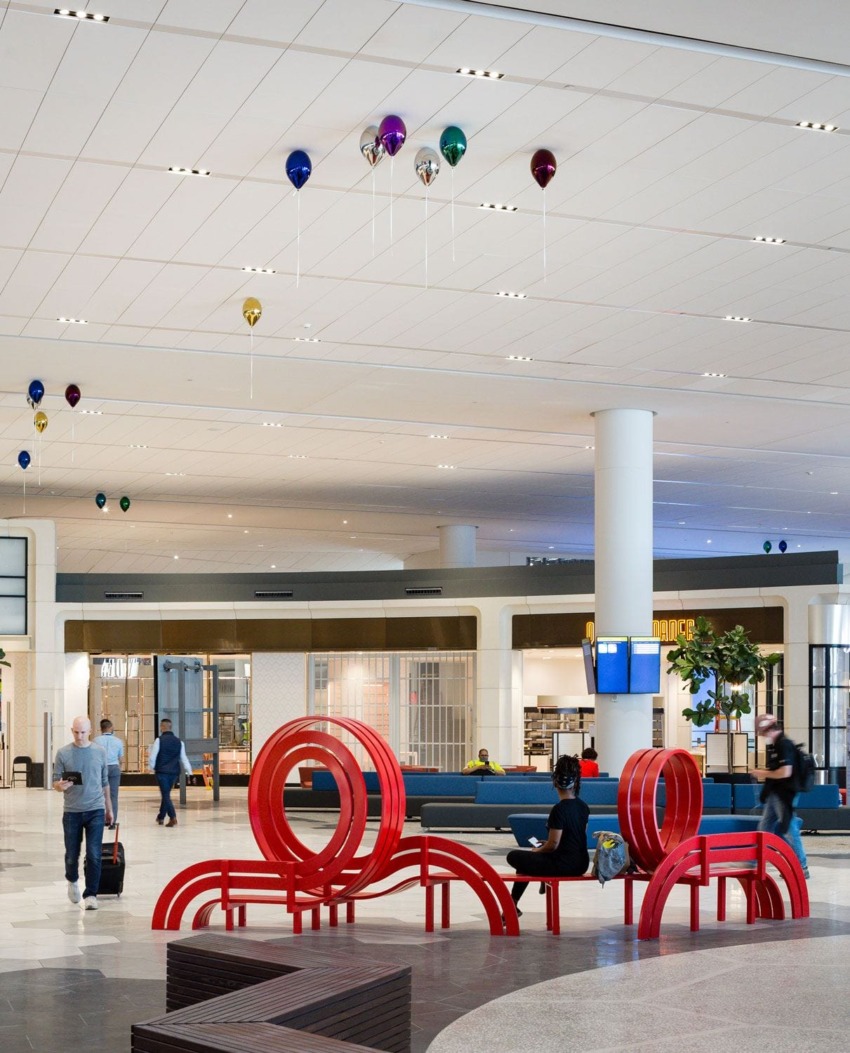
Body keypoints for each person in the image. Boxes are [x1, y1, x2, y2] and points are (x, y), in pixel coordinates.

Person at [505, 753, 589, 915]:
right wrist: (548, 844)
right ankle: (511, 906)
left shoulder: (559, 809)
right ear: (576, 782)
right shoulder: (583, 806)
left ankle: (511, 906)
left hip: (564, 865)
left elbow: (553, 845)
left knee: (515, 857)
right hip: (581, 862)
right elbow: (576, 837)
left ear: (555, 782)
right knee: (528, 863)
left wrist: (539, 849)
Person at [52, 715, 113, 910]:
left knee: (94, 853)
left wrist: (109, 809)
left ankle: (91, 894)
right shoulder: (63, 753)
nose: (80, 736)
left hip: (96, 809)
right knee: (72, 854)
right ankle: (72, 880)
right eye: (76, 732)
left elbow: (105, 782)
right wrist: (60, 786)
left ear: (90, 732)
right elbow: (55, 782)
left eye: (83, 732)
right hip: (72, 811)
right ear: (72, 731)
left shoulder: (100, 752)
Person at [752, 713, 809, 879]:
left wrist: (760, 773)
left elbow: (785, 772)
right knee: (765, 826)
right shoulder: (776, 745)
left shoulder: (784, 745)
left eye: (763, 734)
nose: (763, 737)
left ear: (769, 730)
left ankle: (801, 866)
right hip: (776, 793)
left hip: (785, 794)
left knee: (790, 828)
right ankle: (757, 860)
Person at [149, 718, 193, 827]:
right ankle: (161, 817)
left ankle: (173, 817)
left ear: (162, 727)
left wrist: (152, 767)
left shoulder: (159, 740)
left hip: (162, 771)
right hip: (174, 772)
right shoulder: (179, 742)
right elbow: (184, 758)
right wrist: (189, 772)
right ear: (170, 727)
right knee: (166, 794)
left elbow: (153, 757)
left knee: (165, 795)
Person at [93, 718, 124, 829]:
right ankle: (112, 821)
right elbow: (121, 759)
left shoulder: (96, 741)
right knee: (113, 796)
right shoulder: (118, 741)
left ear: (101, 728)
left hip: (101, 768)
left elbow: (94, 757)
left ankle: (101, 819)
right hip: (114, 768)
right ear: (111, 728)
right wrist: (119, 768)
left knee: (100, 795)